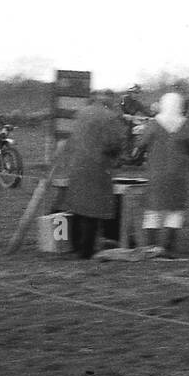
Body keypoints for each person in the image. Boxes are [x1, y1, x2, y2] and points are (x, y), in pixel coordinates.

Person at [138, 93, 189, 260]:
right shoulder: (186, 125)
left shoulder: (154, 124)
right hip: (178, 175)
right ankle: (167, 247)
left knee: (153, 211)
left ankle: (151, 247)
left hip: (156, 175)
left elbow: (140, 145)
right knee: (174, 211)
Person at [64, 95, 127, 260]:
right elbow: (114, 143)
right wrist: (116, 157)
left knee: (78, 208)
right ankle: (87, 250)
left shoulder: (81, 114)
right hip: (98, 166)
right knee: (93, 209)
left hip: (77, 164)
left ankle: (74, 245)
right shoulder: (109, 117)